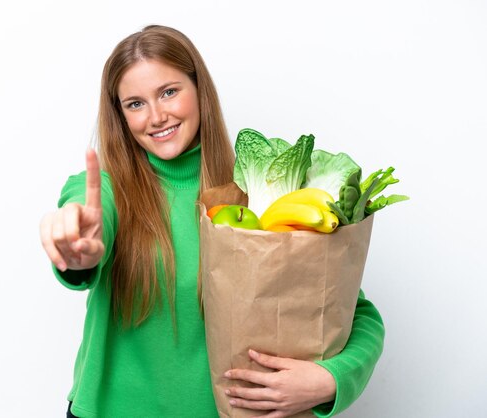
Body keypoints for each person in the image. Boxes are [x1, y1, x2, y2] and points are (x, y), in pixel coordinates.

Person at [39, 25, 385, 418]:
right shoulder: (108, 190)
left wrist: (331, 380)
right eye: (134, 103)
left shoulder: (260, 192)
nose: (156, 116)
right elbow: (84, 215)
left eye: (169, 92)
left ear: (199, 88)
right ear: (119, 115)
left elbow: (352, 311)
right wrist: (77, 249)